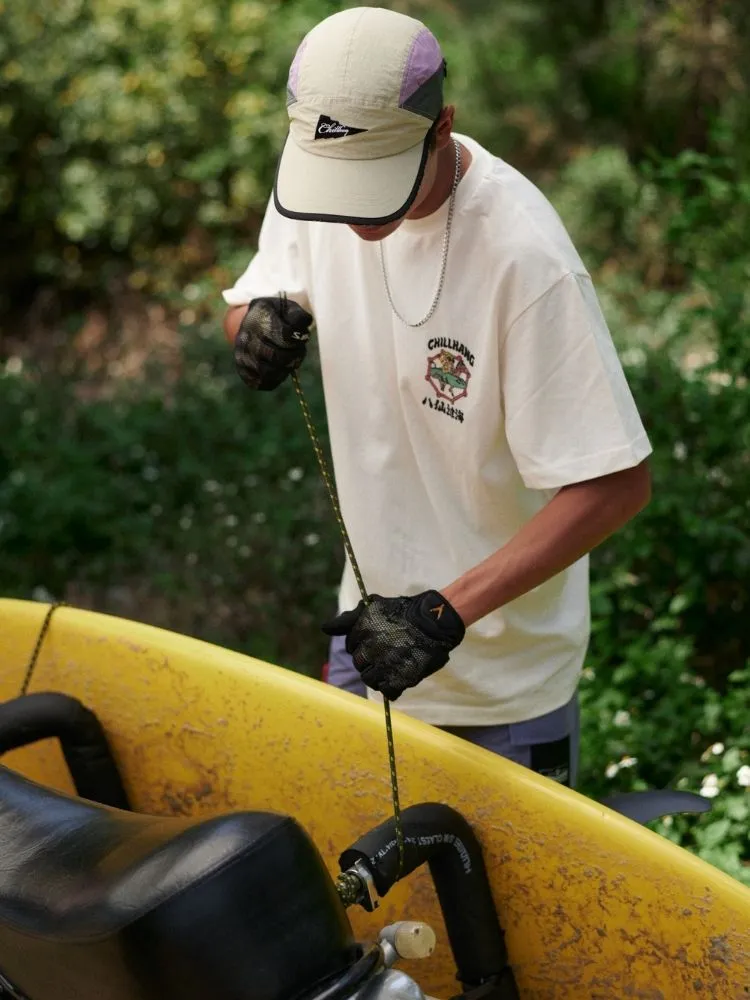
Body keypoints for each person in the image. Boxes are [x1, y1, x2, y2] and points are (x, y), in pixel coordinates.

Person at [221, 6, 652, 787]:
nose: (348, 217)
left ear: (442, 125)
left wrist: (445, 611)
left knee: (504, 911)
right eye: (337, 190)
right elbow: (251, 299)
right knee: (360, 896)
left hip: (504, 689)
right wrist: (251, 328)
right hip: (366, 639)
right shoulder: (320, 175)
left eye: (372, 186)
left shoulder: (523, 259)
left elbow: (615, 484)